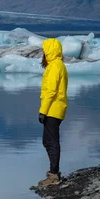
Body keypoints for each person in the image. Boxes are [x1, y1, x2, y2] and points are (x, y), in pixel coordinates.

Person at [38, 38, 68, 187]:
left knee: (51, 142)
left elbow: (50, 91)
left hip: (52, 109)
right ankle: (53, 172)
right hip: (55, 108)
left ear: (49, 51)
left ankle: (54, 175)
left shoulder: (55, 66)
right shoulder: (58, 65)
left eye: (44, 50)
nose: (43, 53)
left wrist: (42, 111)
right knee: (48, 141)